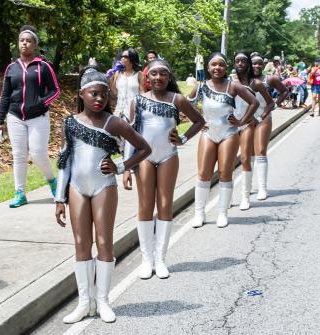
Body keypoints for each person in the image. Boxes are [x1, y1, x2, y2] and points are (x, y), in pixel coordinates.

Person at [55, 64, 151, 324]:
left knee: (105, 241)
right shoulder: (69, 123)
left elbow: (144, 148)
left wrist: (120, 166)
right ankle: (84, 302)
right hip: (76, 188)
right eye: (93, 94)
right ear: (81, 95)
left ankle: (103, 301)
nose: (99, 99)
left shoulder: (114, 122)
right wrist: (58, 198)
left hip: (103, 187)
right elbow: (64, 161)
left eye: (104, 95)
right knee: (81, 243)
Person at [123, 59, 205, 279]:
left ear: (169, 77)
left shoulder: (177, 99)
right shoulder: (138, 101)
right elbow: (131, 135)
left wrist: (183, 138)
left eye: (163, 74)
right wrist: (126, 168)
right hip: (145, 158)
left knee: (166, 203)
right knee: (145, 205)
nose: (158, 78)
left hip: (168, 156)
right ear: (147, 77)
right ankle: (146, 259)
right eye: (154, 74)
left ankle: (160, 259)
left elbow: (199, 121)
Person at [188, 52, 259, 228]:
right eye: (214, 65)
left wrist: (242, 121)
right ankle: (199, 214)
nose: (217, 68)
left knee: (225, 173)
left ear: (226, 68)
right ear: (208, 68)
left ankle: (222, 213)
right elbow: (186, 103)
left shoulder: (233, 86)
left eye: (221, 65)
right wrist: (197, 120)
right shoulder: (202, 86)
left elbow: (254, 103)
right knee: (204, 174)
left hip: (228, 133)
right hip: (208, 133)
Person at [0, 25, 60, 208]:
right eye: (22, 40)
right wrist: (0, 120)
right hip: (15, 116)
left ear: (35, 45)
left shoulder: (43, 67)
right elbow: (5, 95)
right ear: (18, 43)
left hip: (38, 117)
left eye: (29, 41)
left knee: (38, 153)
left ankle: (52, 181)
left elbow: (55, 91)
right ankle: (20, 193)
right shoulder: (11, 68)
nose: (24, 43)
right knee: (19, 155)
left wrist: (41, 102)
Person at [232, 52, 274, 210]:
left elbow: (270, 103)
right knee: (240, 158)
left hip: (258, 119)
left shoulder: (256, 83)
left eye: (244, 61)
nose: (241, 64)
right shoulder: (231, 82)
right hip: (237, 123)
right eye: (237, 61)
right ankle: (237, 193)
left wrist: (261, 116)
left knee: (260, 151)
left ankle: (261, 188)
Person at [252, 52, 286, 201]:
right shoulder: (242, 80)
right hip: (245, 120)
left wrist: (275, 104)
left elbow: (284, 91)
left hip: (263, 117)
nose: (257, 66)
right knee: (248, 154)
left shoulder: (269, 78)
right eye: (254, 63)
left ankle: (262, 188)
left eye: (260, 63)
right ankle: (250, 185)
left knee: (260, 150)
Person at [110, 48, 145, 121]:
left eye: (125, 57)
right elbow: (114, 92)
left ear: (132, 58)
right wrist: (111, 75)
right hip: (118, 112)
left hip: (134, 112)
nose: (122, 58)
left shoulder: (139, 74)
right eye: (122, 57)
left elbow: (142, 93)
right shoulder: (118, 73)